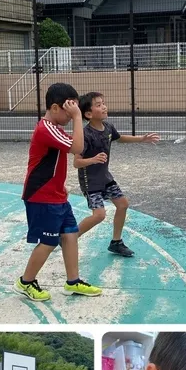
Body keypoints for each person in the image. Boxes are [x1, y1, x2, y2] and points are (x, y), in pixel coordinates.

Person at [15, 83, 102, 302]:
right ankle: (26, 282)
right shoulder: (47, 129)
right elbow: (78, 148)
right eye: (68, 109)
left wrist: (59, 186)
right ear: (55, 108)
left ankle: (73, 282)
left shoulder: (55, 129)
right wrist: (77, 118)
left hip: (55, 196)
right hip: (41, 198)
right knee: (48, 241)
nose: (71, 114)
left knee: (71, 234)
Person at [74, 92, 160, 257]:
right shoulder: (85, 135)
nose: (104, 106)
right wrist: (92, 159)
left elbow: (120, 138)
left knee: (123, 204)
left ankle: (116, 242)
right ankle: (70, 238)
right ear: (88, 114)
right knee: (99, 215)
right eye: (98, 105)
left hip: (105, 177)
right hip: (90, 181)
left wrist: (142, 139)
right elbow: (76, 162)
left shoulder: (108, 127)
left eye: (103, 103)